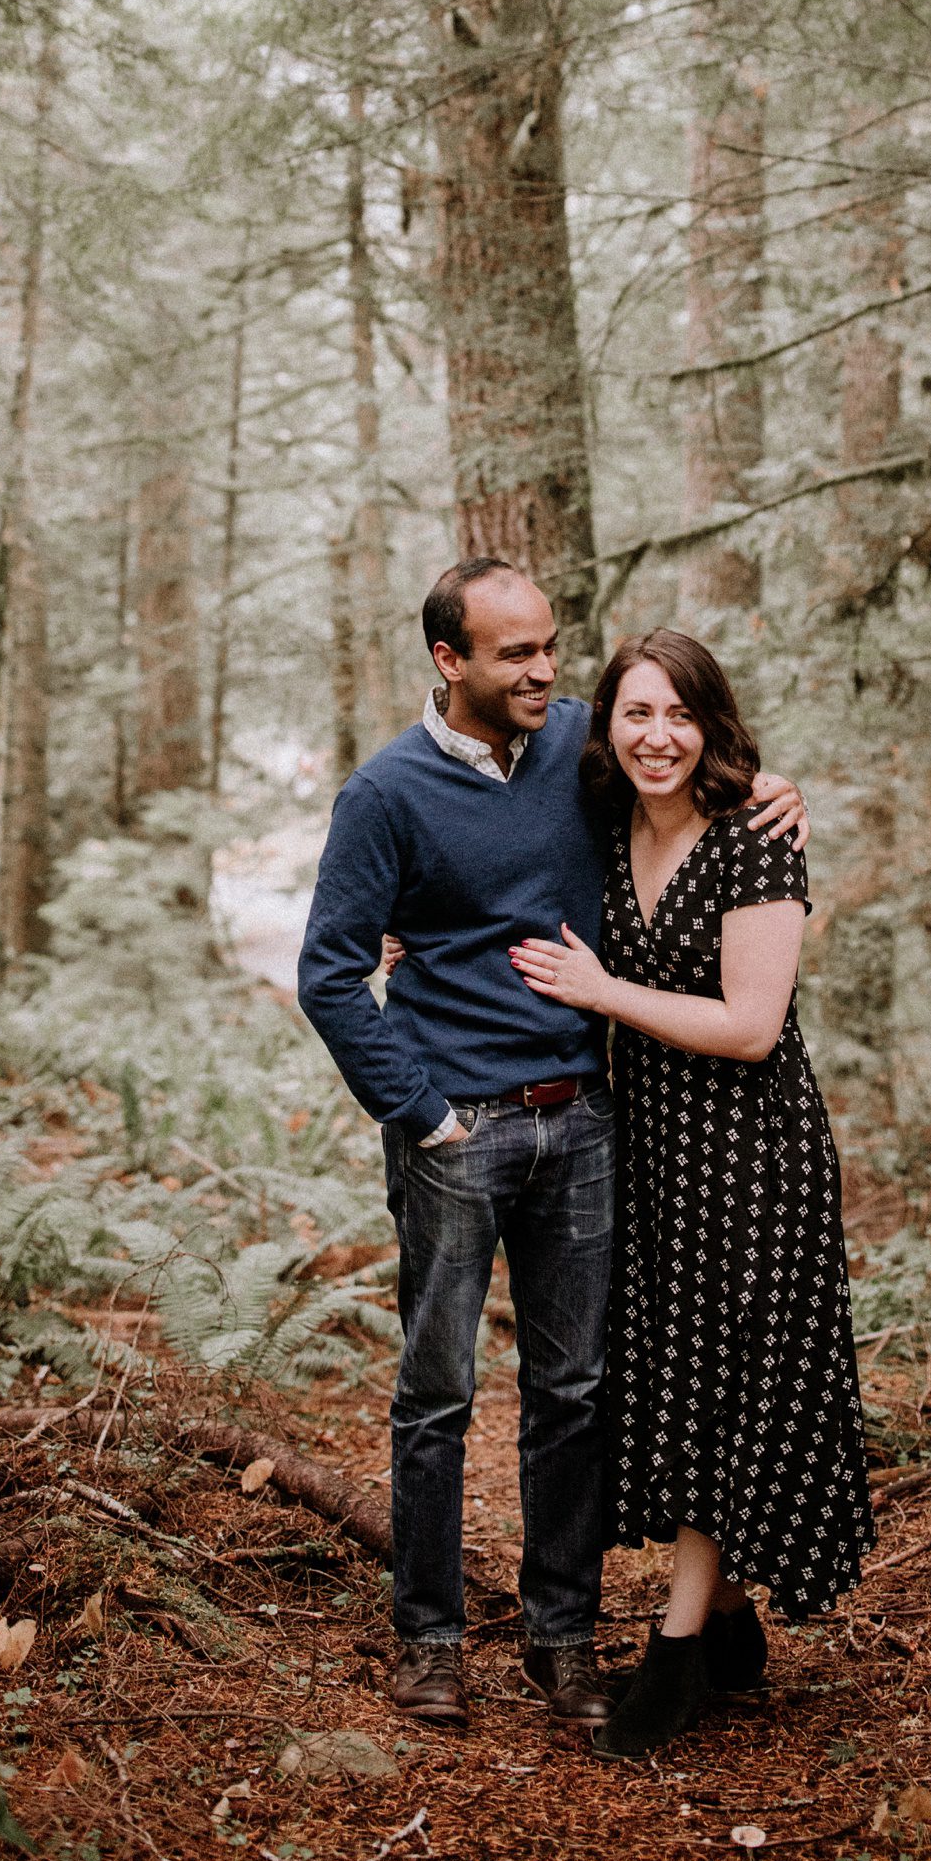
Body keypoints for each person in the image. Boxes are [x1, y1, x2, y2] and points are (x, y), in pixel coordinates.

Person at [297, 560, 806, 1735]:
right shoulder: (385, 793)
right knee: (436, 1392)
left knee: (571, 1392)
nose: (542, 671)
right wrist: (421, 1111)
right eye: (513, 652)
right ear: (448, 660)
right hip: (455, 1129)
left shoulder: (579, 741)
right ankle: (428, 1641)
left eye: (548, 646)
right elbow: (329, 974)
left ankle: (561, 1639)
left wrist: (775, 787)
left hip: (581, 1116)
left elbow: (682, 757)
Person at [510, 628, 874, 1761]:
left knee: (724, 1382)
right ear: (605, 726)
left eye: (681, 714)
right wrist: (398, 928)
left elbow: (751, 1025)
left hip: (754, 1154)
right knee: (674, 1378)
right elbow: (484, 827)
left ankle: (674, 1653)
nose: (657, 736)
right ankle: (726, 1622)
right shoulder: (606, 820)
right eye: (637, 713)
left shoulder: (756, 839)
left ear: (713, 724)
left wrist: (602, 991)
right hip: (656, 1151)